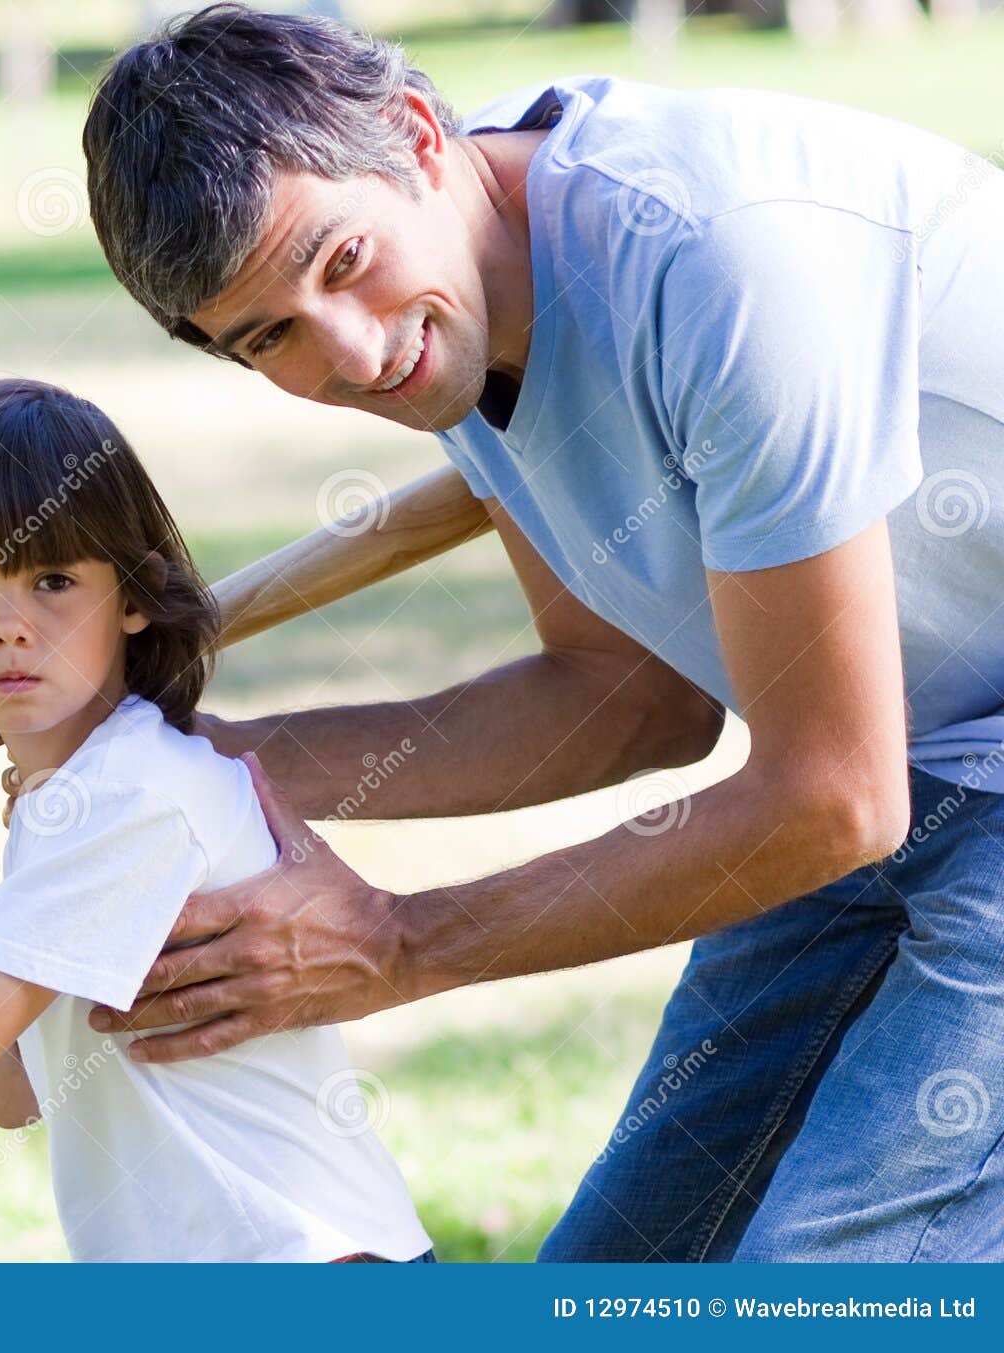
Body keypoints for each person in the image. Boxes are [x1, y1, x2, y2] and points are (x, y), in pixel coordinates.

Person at [76, 3, 1004, 1259]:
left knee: (813, 1289)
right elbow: (623, 699)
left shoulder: (713, 261)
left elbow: (833, 800)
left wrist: (401, 944)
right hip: (917, 767)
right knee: (614, 1281)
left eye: (339, 261)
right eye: (270, 336)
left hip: (902, 781)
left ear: (416, 135)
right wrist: (201, 755)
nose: (352, 354)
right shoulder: (467, 308)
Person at [0, 377, 435, 1264]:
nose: (10, 627)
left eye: (54, 580)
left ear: (134, 596)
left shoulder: (127, 795)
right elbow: (15, 1085)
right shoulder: (73, 793)